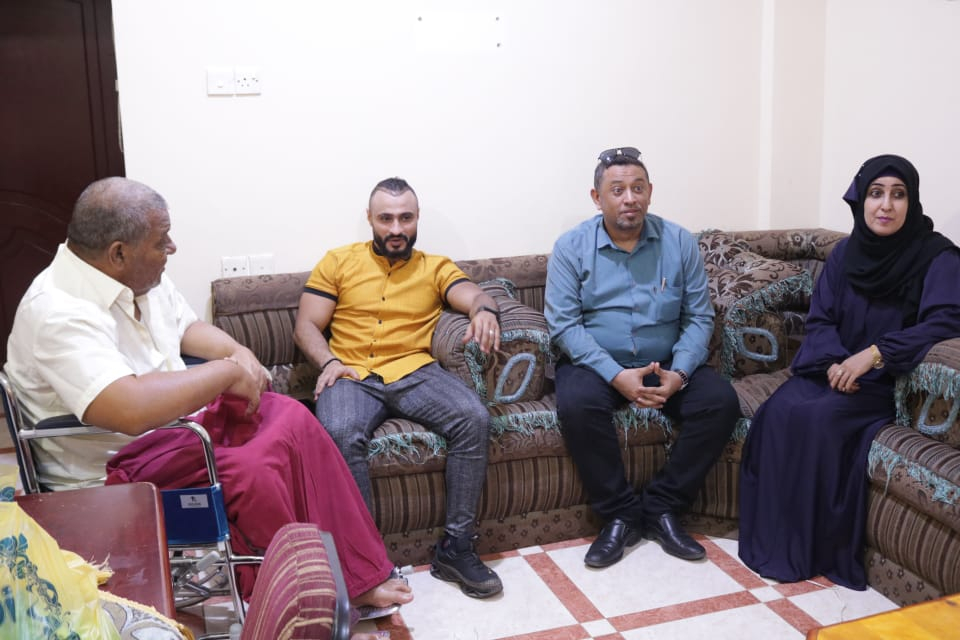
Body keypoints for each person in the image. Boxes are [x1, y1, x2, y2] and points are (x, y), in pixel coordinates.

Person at [4, 177, 413, 621]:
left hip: (175, 435)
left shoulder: (137, 276)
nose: (172, 247)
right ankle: (295, 600)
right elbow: (129, 409)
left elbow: (186, 327)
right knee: (255, 469)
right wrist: (227, 373)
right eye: (162, 240)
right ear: (118, 253)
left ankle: (357, 572)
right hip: (115, 466)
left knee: (291, 416)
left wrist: (237, 352)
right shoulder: (58, 310)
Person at [738, 154, 960, 589]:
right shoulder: (845, 254)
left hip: (884, 381)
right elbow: (821, 319)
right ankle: (773, 539)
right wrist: (834, 362)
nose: (886, 205)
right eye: (876, 193)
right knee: (777, 412)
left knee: (817, 419)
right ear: (860, 200)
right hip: (831, 369)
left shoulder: (938, 257)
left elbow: (945, 320)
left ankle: (811, 549)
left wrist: (874, 355)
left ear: (912, 201)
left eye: (898, 195)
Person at [294, 177, 504, 598]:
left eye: (405, 218)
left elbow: (473, 294)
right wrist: (330, 362)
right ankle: (365, 563)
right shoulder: (338, 261)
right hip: (351, 373)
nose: (396, 228)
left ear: (417, 218)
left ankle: (457, 548)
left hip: (414, 370)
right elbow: (306, 326)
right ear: (370, 219)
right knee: (340, 431)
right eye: (386, 218)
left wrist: (485, 311)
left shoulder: (435, 267)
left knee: (473, 418)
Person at [545, 147, 740, 569]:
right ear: (597, 198)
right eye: (617, 190)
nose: (629, 198)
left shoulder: (679, 241)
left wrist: (680, 373)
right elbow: (564, 325)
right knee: (577, 404)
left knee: (720, 402)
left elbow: (699, 316)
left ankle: (662, 506)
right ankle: (620, 514)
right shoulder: (571, 247)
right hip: (595, 364)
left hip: (665, 361)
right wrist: (616, 375)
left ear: (650, 192)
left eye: (637, 188)